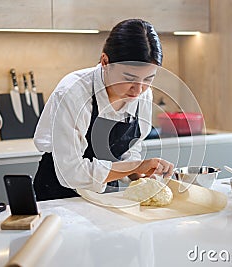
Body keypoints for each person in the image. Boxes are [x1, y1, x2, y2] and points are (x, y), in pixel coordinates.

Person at [33, 19, 174, 201]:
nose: (138, 90)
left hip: (107, 195)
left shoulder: (143, 97)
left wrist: (142, 174)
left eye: (148, 79)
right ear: (105, 61)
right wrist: (136, 166)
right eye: (129, 77)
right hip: (58, 196)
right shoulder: (73, 93)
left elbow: (129, 151)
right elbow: (71, 172)